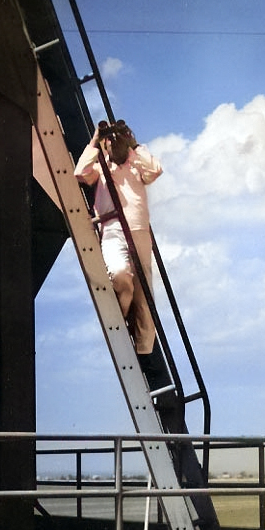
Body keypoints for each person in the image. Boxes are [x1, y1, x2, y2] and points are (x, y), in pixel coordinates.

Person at [74, 120, 162, 360]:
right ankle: (121, 320)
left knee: (144, 293)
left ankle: (144, 348)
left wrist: (133, 144)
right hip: (113, 229)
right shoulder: (101, 168)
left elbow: (155, 169)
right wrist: (96, 140)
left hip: (139, 230)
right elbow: (80, 173)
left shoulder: (136, 165)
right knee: (120, 273)